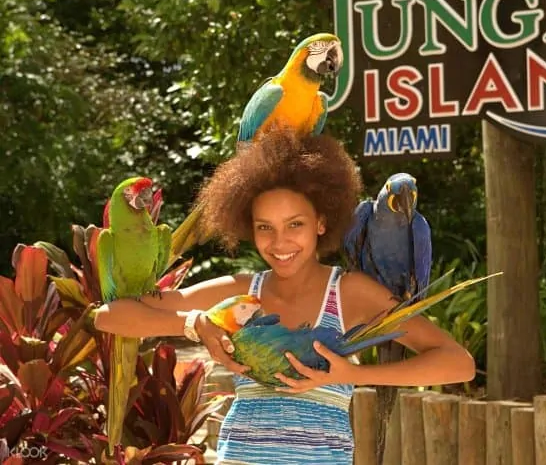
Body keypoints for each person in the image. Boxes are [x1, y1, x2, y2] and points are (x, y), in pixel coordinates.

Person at [93, 128, 475, 465]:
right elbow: (108, 316)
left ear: (321, 223)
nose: (280, 243)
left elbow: (458, 363)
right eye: (265, 228)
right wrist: (195, 324)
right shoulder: (241, 291)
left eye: (295, 224)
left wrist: (356, 374)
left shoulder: (349, 293)